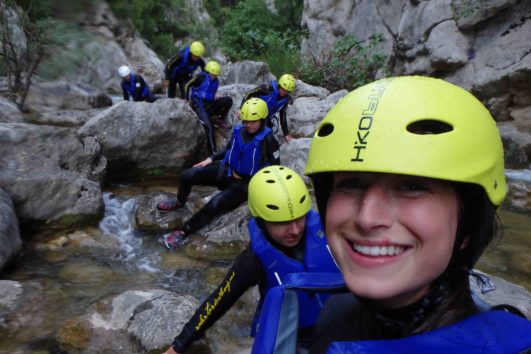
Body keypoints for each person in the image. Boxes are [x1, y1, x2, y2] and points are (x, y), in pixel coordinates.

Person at [298, 76, 531, 352]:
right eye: (351, 184)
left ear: (468, 226)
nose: (367, 218)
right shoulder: (334, 314)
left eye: (411, 187)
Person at [163, 166, 340, 354]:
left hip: (342, 320)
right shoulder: (254, 260)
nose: (295, 229)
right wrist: (178, 346)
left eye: (299, 218)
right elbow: (219, 300)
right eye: (281, 222)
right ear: (262, 221)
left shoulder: (330, 231)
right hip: (292, 336)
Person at [157, 98, 280, 246]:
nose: (249, 124)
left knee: (214, 205)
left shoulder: (269, 140)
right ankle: (179, 202)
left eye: (253, 121)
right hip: (228, 172)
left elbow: (275, 167)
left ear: (262, 119)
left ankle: (184, 231)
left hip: (245, 185)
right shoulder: (240, 131)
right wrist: (211, 158)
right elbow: (229, 149)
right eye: (246, 120)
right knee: (188, 175)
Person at [185, 60, 233, 155]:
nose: (214, 76)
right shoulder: (201, 77)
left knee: (228, 100)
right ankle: (213, 154)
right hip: (198, 105)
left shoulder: (216, 81)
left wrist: (215, 97)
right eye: (212, 74)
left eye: (215, 74)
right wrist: (186, 99)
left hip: (209, 105)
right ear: (208, 71)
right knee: (210, 127)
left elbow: (211, 93)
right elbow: (187, 85)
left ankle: (219, 119)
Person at [240, 73, 296, 143]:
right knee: (247, 132)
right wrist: (241, 108)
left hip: (265, 118)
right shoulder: (267, 88)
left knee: (267, 136)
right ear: (279, 85)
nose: (283, 92)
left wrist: (286, 134)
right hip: (252, 114)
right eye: (282, 89)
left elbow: (283, 117)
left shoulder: (285, 101)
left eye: (286, 91)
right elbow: (249, 94)